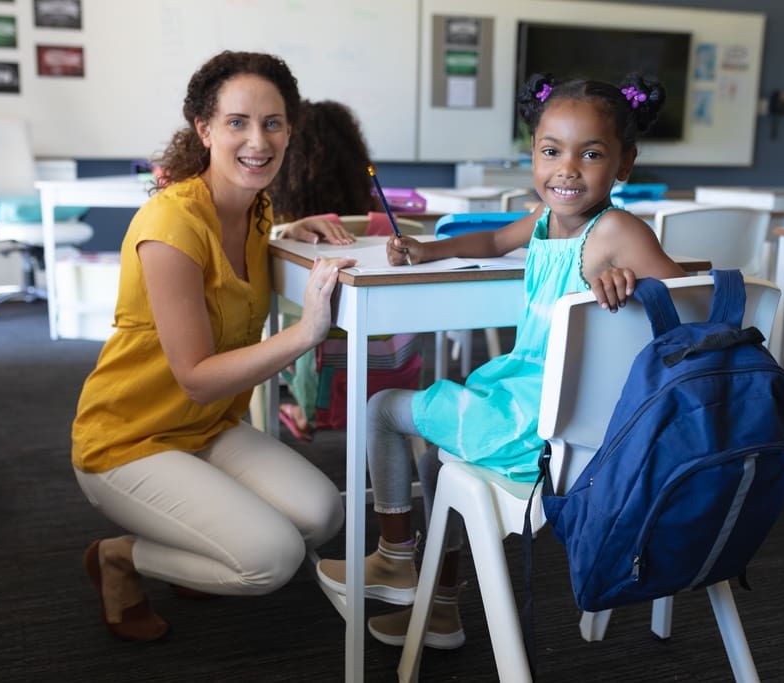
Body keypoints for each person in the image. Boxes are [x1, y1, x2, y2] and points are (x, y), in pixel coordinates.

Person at [316, 72, 687, 649]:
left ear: (625, 163)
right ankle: (442, 606)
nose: (566, 169)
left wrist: (636, 284)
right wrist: (428, 249)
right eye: (550, 151)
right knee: (440, 460)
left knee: (383, 408)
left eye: (590, 154)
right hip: (544, 413)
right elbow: (491, 242)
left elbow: (692, 301)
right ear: (532, 157)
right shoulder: (543, 222)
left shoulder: (616, 229)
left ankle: (394, 556)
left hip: (539, 427)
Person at [71, 51, 358, 642]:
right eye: (237, 122)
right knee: (271, 560)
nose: (258, 139)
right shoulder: (171, 225)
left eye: (273, 123)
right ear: (204, 129)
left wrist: (286, 233)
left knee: (325, 512)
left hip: (206, 431)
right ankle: (120, 558)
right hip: (130, 440)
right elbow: (197, 377)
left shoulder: (258, 212)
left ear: (290, 129)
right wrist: (304, 334)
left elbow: (238, 261)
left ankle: (196, 542)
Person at [267, 99, 378, 441]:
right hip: (382, 365)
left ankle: (299, 410)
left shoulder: (279, 227)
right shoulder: (376, 219)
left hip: (309, 362)